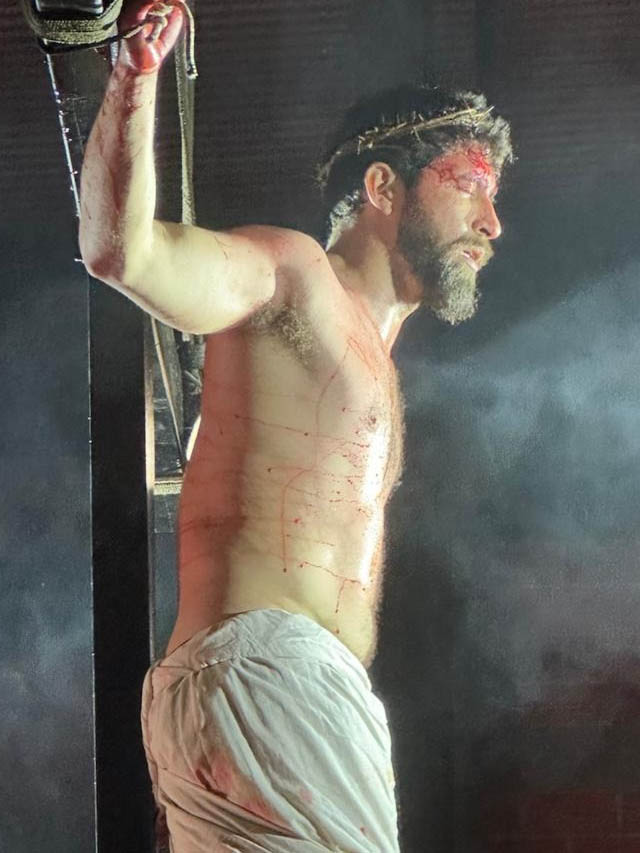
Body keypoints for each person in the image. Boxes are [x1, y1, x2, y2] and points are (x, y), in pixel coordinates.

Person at [79, 2, 513, 850]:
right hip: (272, 677)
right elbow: (121, 252)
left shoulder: (372, 355)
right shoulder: (295, 275)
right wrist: (134, 77)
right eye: (469, 186)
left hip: (244, 688)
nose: (491, 224)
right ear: (383, 188)